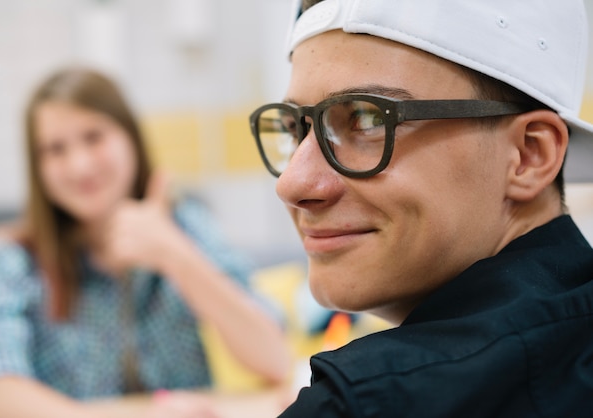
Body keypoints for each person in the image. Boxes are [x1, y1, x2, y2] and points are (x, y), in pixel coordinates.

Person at [248, 0, 593, 416]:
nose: (292, 184)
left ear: (527, 155)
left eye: (368, 119)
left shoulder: (366, 402)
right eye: (294, 128)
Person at [0, 67, 290, 418]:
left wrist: (176, 256)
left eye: (93, 137)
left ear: (130, 138)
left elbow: (274, 358)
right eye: (55, 149)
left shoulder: (184, 224)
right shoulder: (9, 259)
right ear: (38, 167)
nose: (80, 165)